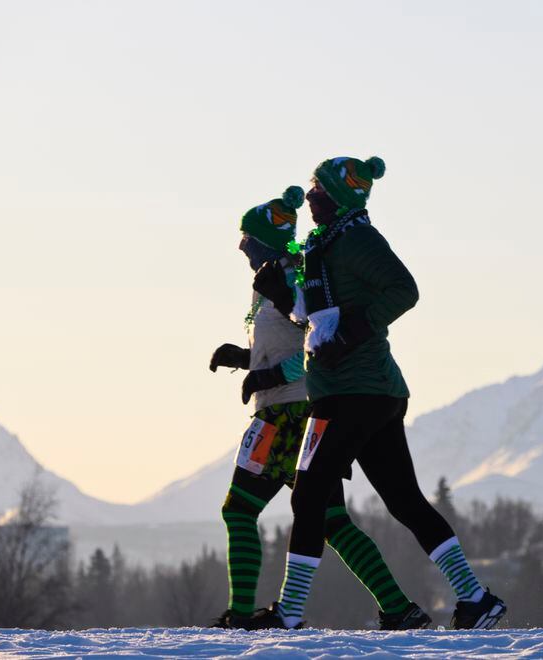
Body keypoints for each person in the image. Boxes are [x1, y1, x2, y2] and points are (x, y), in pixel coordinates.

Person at [250, 158, 507, 630]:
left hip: (352, 392)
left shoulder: (356, 239)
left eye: (318, 190)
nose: (310, 198)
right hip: (369, 392)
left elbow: (403, 290)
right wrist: (284, 298)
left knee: (308, 497)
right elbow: (315, 319)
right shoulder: (324, 246)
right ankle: (476, 598)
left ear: (339, 196)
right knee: (404, 501)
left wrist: (351, 333)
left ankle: (288, 614)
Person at [208, 185, 430, 630]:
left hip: (286, 417)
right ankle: (399, 608)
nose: (240, 247)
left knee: (239, 510)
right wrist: (244, 359)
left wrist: (269, 377)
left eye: (246, 239)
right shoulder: (268, 286)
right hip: (299, 413)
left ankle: (241, 613)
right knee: (330, 520)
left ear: (264, 243)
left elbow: (312, 344)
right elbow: (282, 348)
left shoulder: (288, 280)